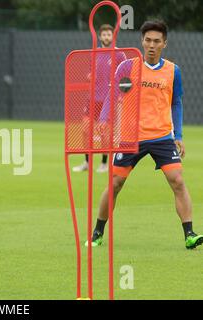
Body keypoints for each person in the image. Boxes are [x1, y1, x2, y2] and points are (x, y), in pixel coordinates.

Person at [86, 21, 203, 249]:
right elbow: (113, 93)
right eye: (147, 40)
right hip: (131, 136)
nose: (151, 45)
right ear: (142, 41)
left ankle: (190, 234)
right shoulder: (128, 67)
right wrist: (103, 119)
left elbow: (176, 102)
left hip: (161, 136)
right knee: (116, 183)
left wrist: (177, 134)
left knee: (177, 181)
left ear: (164, 44)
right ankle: (97, 232)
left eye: (156, 41)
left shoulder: (173, 71)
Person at [73, 24, 125, 173]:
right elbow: (91, 74)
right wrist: (90, 76)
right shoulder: (94, 53)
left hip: (108, 99)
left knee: (104, 132)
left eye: (109, 34)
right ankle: (87, 162)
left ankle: (103, 163)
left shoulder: (119, 54)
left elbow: (124, 78)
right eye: (104, 34)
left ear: (113, 36)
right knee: (85, 129)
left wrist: (120, 96)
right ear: (100, 36)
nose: (107, 37)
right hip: (92, 98)